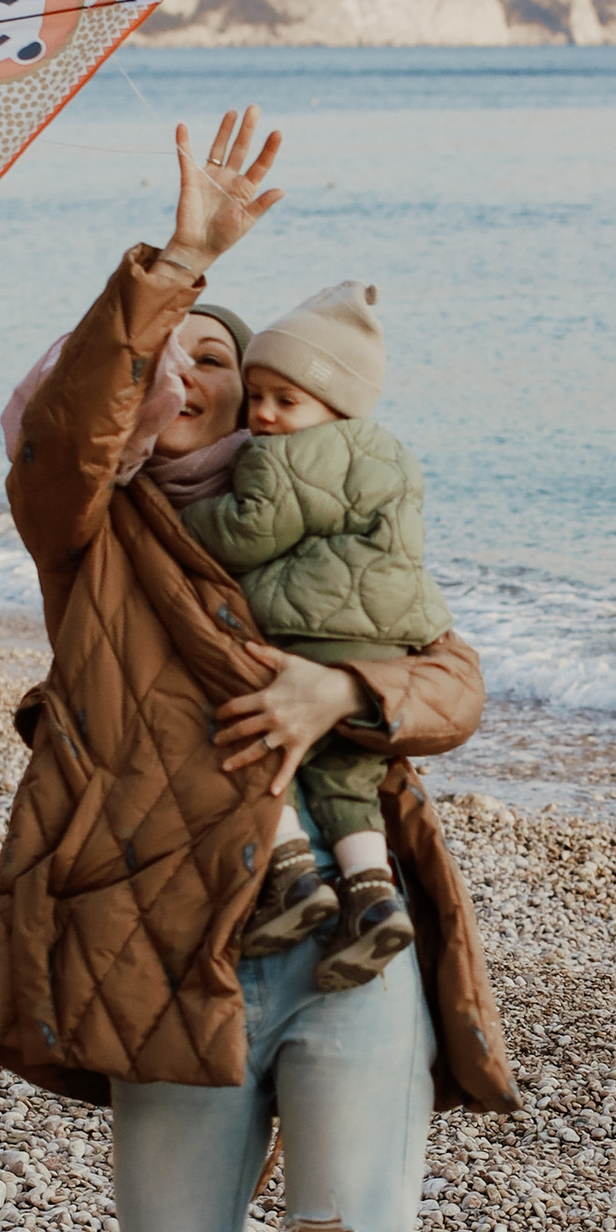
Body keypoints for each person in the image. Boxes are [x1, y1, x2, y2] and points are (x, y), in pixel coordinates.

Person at [0, 109, 517, 1232]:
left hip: (350, 960)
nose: (185, 376)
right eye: (160, 361)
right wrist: (184, 253)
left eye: (215, 356)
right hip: (166, 958)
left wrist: (331, 683)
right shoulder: (89, 537)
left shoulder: (319, 519)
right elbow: (70, 423)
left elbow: (456, 676)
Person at [176, 276, 451, 997]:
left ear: (332, 405)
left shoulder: (287, 457)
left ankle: (293, 876)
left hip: (317, 627)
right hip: (392, 631)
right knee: (345, 779)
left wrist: (184, 527)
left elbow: (249, 531)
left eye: (284, 400)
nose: (265, 415)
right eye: (259, 396)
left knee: (261, 742)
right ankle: (371, 892)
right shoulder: (390, 454)